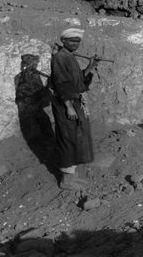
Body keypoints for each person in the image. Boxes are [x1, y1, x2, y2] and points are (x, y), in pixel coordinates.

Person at [49, 28, 98, 190]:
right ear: (63, 41)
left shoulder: (69, 57)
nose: (75, 44)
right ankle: (66, 180)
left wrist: (90, 66)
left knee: (77, 135)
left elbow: (77, 82)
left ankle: (72, 174)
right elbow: (61, 84)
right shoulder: (59, 58)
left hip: (75, 101)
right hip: (66, 103)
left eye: (77, 41)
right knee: (68, 137)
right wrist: (69, 107)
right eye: (71, 41)